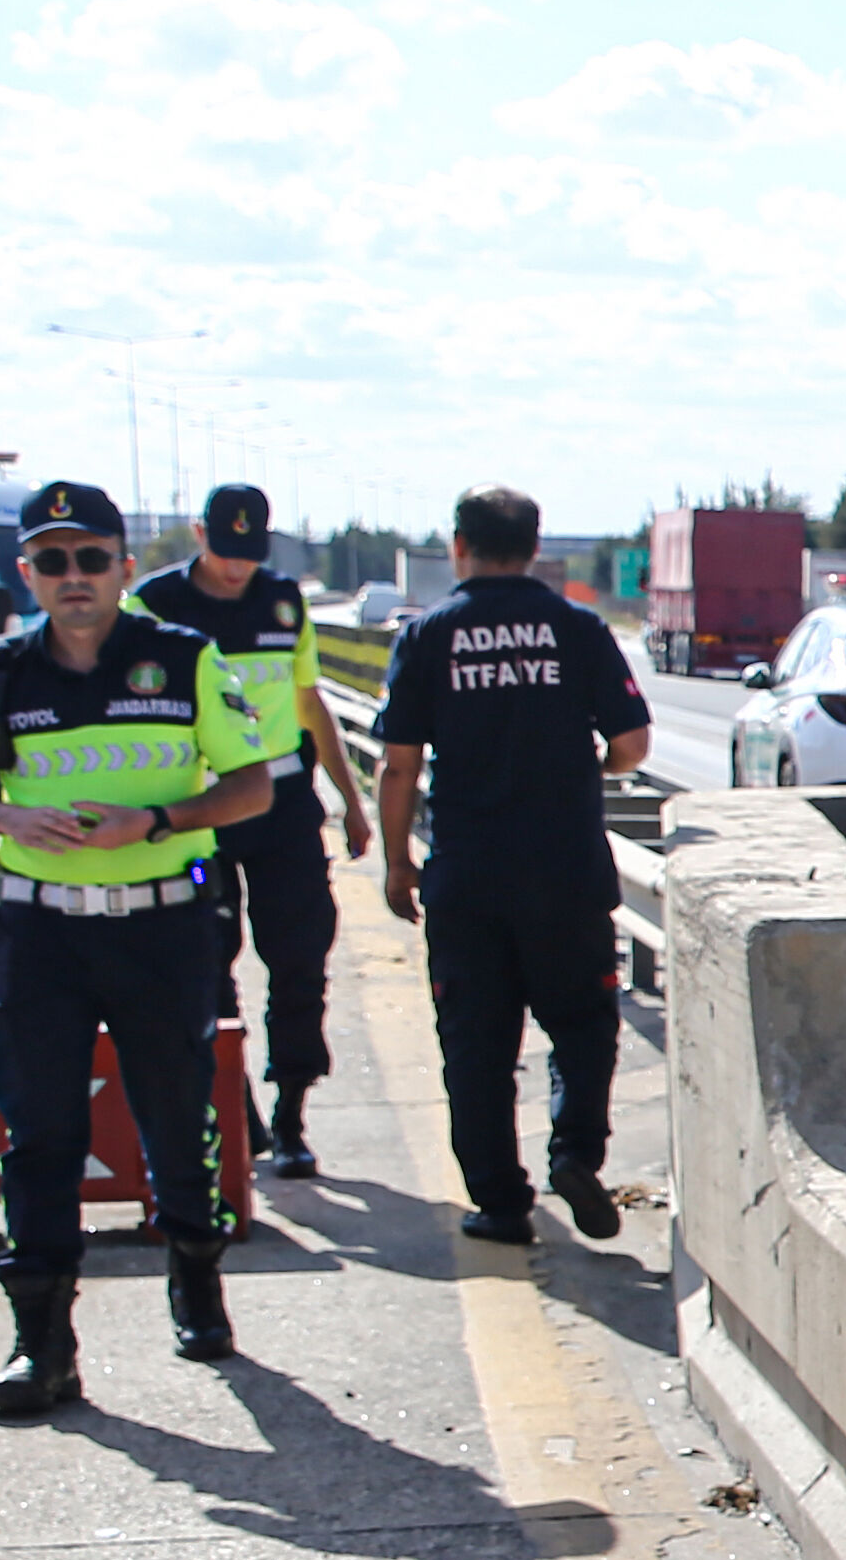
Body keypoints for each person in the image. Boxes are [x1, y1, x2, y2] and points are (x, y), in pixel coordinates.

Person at [0, 477, 280, 1415]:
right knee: (40, 1133)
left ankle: (196, 1280)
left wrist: (154, 820)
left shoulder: (185, 659)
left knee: (176, 1115)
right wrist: (4, 816)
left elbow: (251, 787)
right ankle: (41, 1344)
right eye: (52, 561)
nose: (72, 575)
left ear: (124, 567)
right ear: (28, 572)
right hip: (39, 933)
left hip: (162, 927)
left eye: (90, 558)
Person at [372, 485, 649, 1247]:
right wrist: (589, 764)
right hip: (566, 872)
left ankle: (500, 1203)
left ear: (458, 546)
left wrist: (397, 863)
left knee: (476, 1046)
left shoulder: (427, 635)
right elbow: (632, 745)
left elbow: (399, 767)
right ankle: (575, 1153)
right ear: (534, 547)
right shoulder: (578, 629)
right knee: (582, 1026)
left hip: (468, 879)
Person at [131, 482, 374, 1179]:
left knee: (300, 954)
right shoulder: (153, 605)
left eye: (249, 553)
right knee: (204, 957)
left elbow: (308, 702)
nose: (237, 567)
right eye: (224, 550)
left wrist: (349, 800)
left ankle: (292, 1110)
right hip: (199, 808)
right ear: (199, 535)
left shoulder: (282, 601)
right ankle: (233, 1106)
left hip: (282, 804)